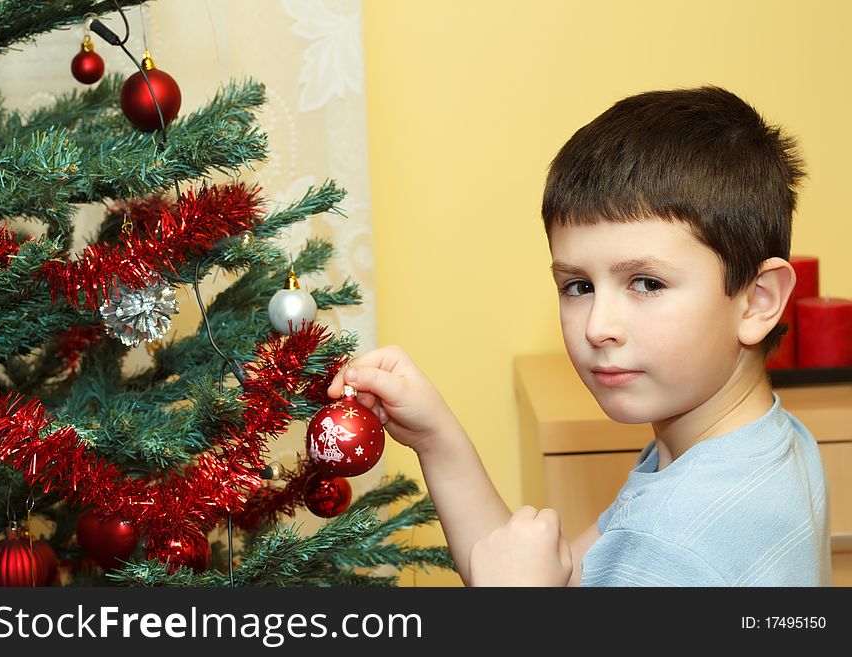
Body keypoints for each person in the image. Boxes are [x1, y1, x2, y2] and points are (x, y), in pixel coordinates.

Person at [327, 86, 831, 587]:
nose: (597, 326)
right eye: (579, 286)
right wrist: (436, 439)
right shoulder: (752, 446)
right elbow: (569, 580)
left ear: (759, 299)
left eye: (647, 283)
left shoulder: (672, 544)